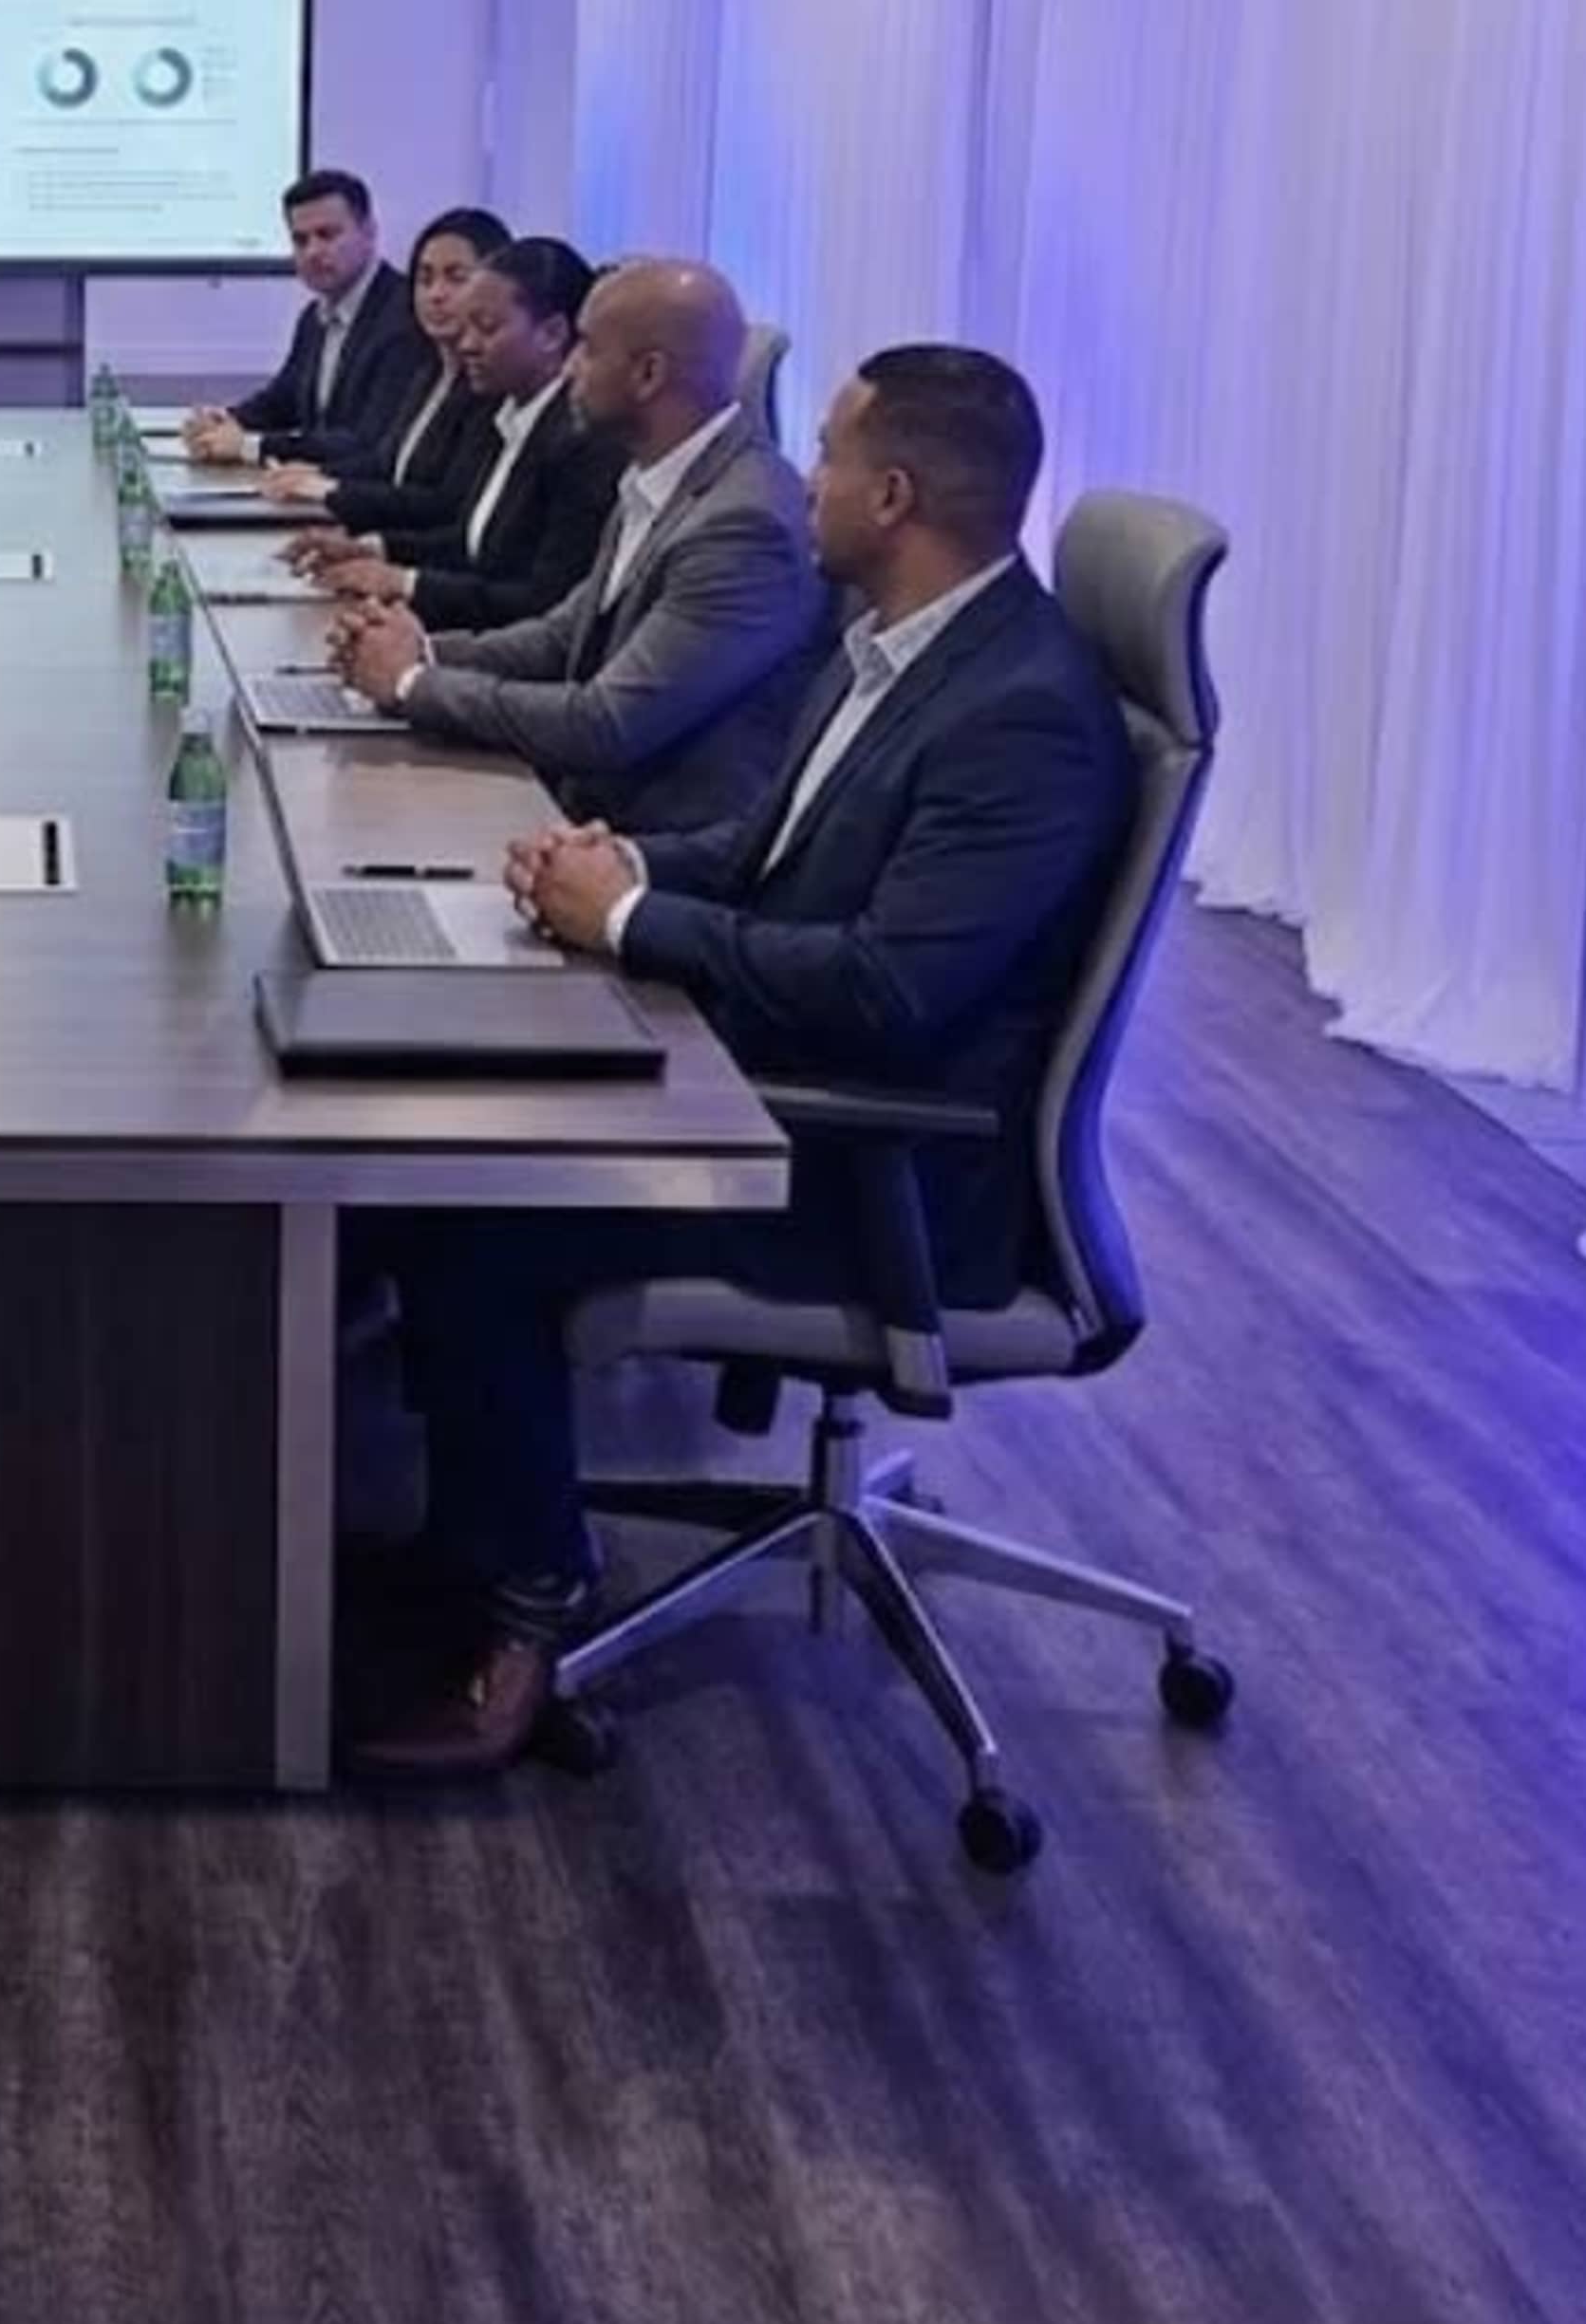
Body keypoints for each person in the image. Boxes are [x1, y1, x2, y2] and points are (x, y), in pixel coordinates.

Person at [352, 344, 1139, 1776]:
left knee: (469, 1213)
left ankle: (530, 1604)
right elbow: (776, 852)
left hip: (887, 1176)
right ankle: (459, 1546)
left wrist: (642, 922)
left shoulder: (1019, 713)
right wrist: (625, 866)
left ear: (894, 493)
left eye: (826, 461)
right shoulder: (902, 642)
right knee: (425, 1159)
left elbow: (892, 993)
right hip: (782, 1078)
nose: (799, 486)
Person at [325, 256, 826, 833]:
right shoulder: (654, 475)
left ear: (648, 374)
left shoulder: (741, 525)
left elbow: (607, 722)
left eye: (586, 348)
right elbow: (562, 638)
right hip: (582, 815)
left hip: (650, 850)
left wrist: (413, 684)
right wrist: (418, 649)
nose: (569, 368)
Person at [289, 235, 620, 630]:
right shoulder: (509, 412)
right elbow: (469, 543)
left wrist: (405, 583)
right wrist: (370, 549)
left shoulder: (581, 444)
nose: (466, 345)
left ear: (551, 334)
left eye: (486, 328)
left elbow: (543, 603)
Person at [259, 206, 509, 528]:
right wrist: (319, 473)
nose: (436, 295)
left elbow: (446, 504)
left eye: (456, 278)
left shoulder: (488, 387)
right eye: (425, 278)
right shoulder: (430, 371)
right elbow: (386, 462)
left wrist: (331, 489)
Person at [181, 169, 436, 471]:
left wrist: (252, 447)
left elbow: (366, 440)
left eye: (328, 235)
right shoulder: (315, 318)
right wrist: (224, 422)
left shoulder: (404, 315)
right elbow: (282, 400)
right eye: (300, 240)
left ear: (369, 232)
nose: (313, 251)